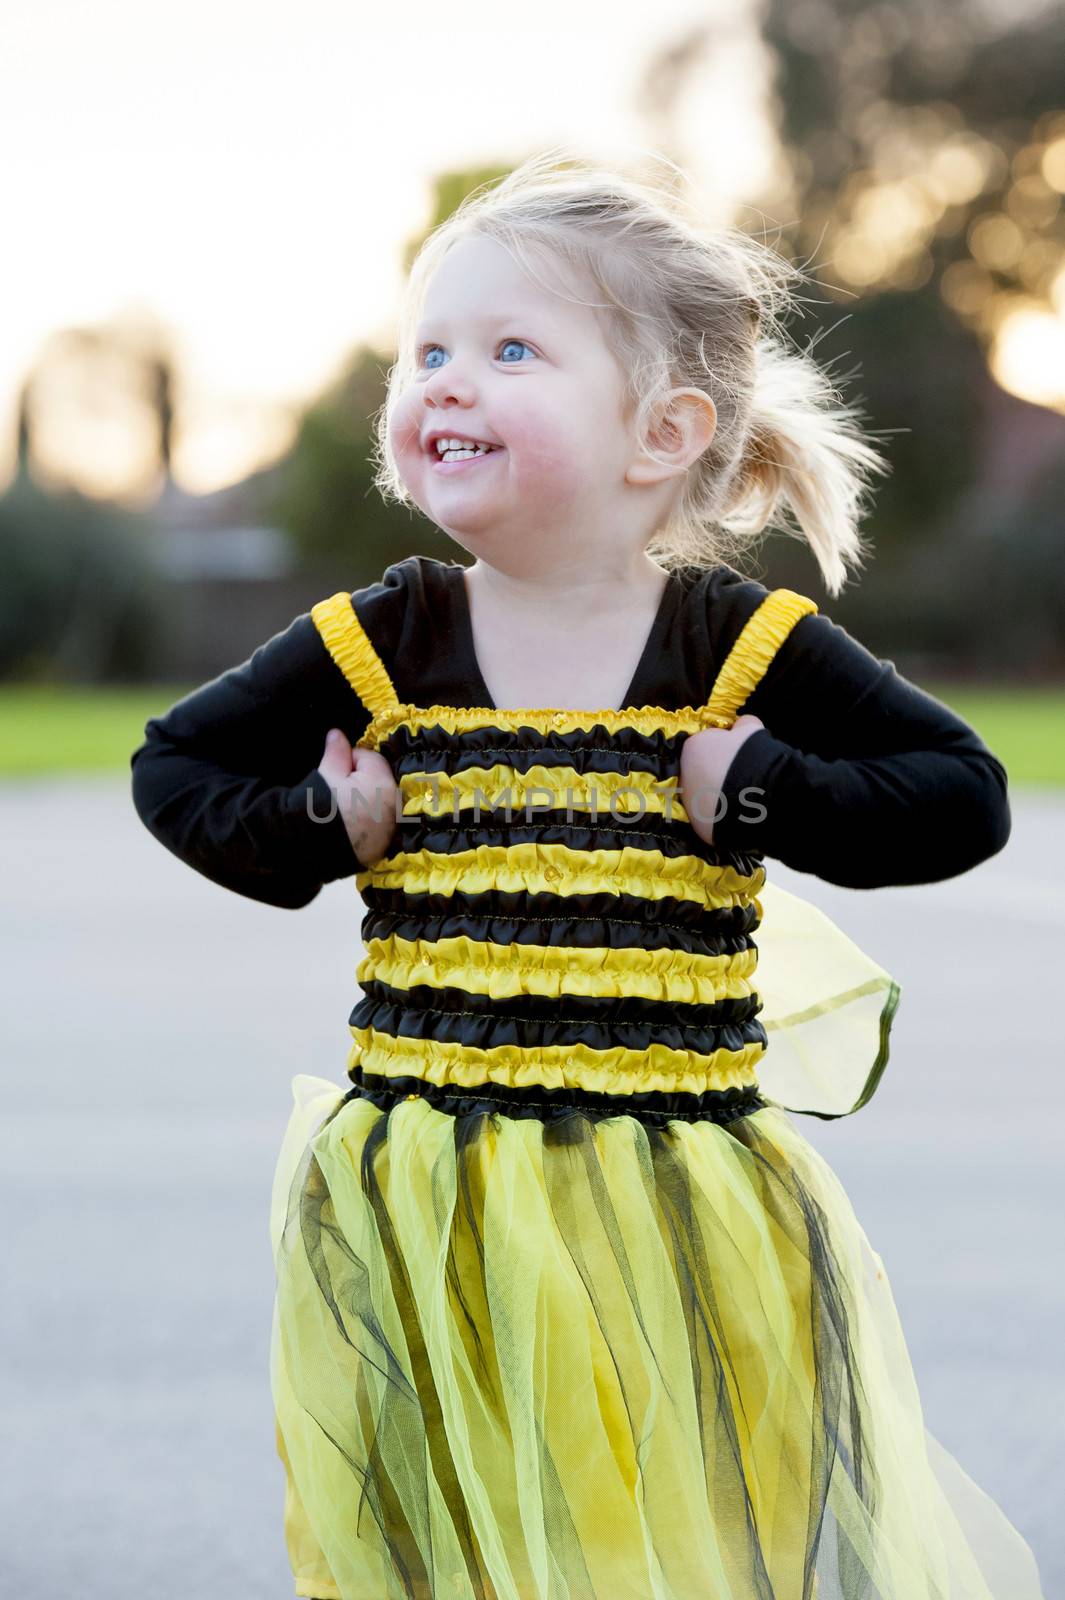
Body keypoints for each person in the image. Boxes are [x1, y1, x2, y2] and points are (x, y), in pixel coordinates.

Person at [130, 149, 1046, 1599]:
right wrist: (324, 825)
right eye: (425, 348)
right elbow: (174, 770)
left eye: (507, 350)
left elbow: (959, 799)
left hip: (673, 1196)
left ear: (660, 432)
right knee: (465, 1547)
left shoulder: (735, 649)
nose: (444, 381)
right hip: (431, 1197)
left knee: (659, 1551)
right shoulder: (383, 642)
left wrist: (758, 790)